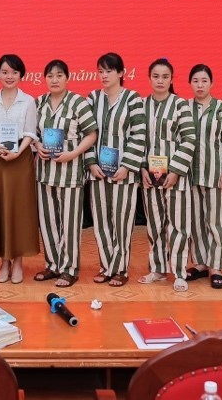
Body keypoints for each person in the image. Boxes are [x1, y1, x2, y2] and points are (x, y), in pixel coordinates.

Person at [34, 59, 98, 289]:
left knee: (70, 223)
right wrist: (37, 146)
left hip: (70, 172)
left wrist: (73, 153)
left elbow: (91, 134)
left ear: (67, 78)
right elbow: (31, 134)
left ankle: (70, 269)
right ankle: (53, 264)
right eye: (50, 75)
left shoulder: (78, 103)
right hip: (44, 172)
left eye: (59, 75)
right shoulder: (38, 103)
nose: (54, 79)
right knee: (48, 221)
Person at [85, 53, 148, 287]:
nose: (104, 75)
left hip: (125, 173)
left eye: (109, 71)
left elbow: (139, 135)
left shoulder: (133, 99)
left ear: (121, 73)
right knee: (101, 222)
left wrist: (127, 166)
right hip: (98, 171)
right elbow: (87, 134)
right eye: (101, 71)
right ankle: (105, 266)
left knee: (122, 221)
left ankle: (120, 269)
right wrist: (91, 163)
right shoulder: (92, 98)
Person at [138, 58, 197, 292]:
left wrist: (175, 170)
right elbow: (138, 140)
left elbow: (189, 139)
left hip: (176, 177)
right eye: (156, 76)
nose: (160, 81)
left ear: (172, 79)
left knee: (179, 225)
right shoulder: (142, 105)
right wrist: (142, 166)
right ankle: (158, 269)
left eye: (165, 77)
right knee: (154, 224)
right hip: (150, 176)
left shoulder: (181, 105)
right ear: (149, 78)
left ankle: (180, 272)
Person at [0, 54, 40, 284]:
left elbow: (30, 132)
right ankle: (3, 261)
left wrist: (18, 151)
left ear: (21, 75)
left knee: (19, 209)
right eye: (5, 72)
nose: (9, 76)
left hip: (20, 159)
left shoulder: (28, 101)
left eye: (14, 72)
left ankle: (18, 262)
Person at [186, 64, 222, 289]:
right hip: (189, 175)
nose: (200, 85)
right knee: (195, 222)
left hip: (216, 175)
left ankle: (216, 266)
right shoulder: (184, 107)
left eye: (204, 81)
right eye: (196, 81)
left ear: (211, 83)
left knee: (215, 222)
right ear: (190, 83)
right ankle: (200, 263)